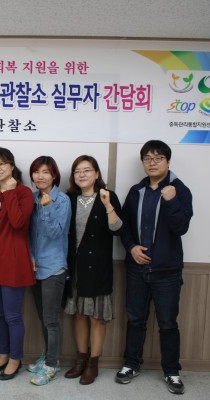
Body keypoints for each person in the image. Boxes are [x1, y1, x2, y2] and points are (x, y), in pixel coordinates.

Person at [115, 140, 193, 395]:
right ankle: (131, 364)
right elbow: (124, 225)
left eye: (158, 158)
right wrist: (131, 248)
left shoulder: (179, 190)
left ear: (168, 161)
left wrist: (171, 201)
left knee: (168, 323)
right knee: (135, 320)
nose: (152, 162)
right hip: (137, 269)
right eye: (147, 158)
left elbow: (181, 227)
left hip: (167, 272)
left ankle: (172, 371)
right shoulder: (136, 191)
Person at [64, 155, 122, 385]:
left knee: (96, 317)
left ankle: (93, 364)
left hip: (98, 268)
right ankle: (80, 360)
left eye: (87, 170)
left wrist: (108, 205)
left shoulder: (108, 196)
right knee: (79, 314)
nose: (82, 174)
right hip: (75, 267)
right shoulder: (69, 199)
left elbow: (117, 229)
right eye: (77, 171)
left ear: (96, 174)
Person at [0, 147, 35, 381]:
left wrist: (11, 192)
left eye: (2, 163)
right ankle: (3, 355)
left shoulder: (24, 192)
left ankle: (15, 358)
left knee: (12, 316)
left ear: (12, 166)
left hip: (13, 262)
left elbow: (18, 223)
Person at [27, 156, 71, 386]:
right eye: (36, 172)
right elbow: (27, 234)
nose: (40, 176)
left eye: (45, 172)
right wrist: (30, 258)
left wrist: (47, 207)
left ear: (54, 175)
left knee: (52, 320)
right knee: (42, 318)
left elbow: (55, 233)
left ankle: (52, 365)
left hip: (54, 267)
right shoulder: (32, 198)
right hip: (34, 267)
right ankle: (47, 357)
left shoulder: (62, 200)